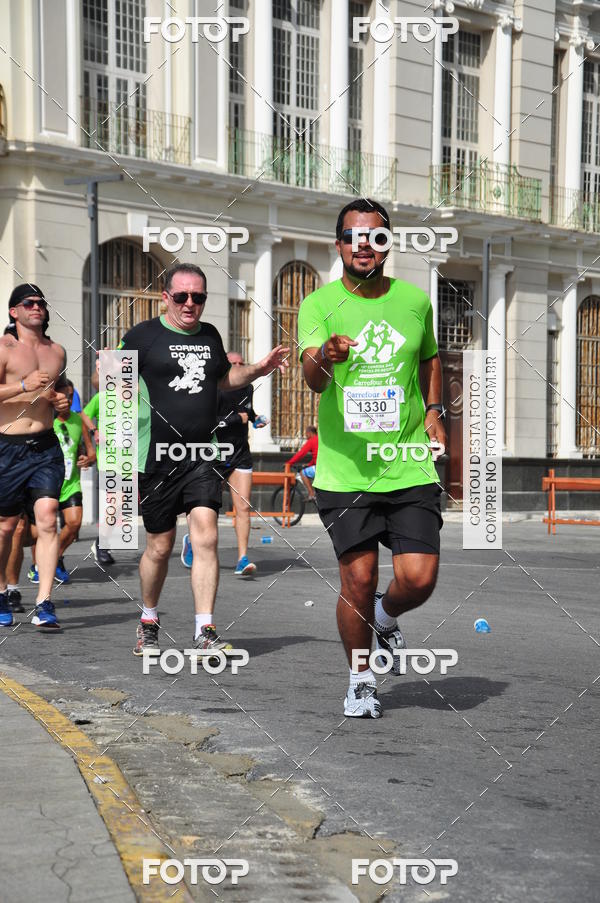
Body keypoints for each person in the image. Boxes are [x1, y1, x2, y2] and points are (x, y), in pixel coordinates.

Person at [298, 199, 446, 719]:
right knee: (357, 581)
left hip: (407, 461)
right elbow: (311, 378)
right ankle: (360, 680)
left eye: (376, 237)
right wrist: (325, 355)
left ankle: (385, 617)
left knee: (419, 578)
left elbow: (429, 357)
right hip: (346, 470)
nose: (365, 246)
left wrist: (434, 410)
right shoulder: (319, 304)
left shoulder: (415, 301)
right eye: (353, 237)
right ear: (339, 244)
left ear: (388, 244)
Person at [116, 263, 288, 656]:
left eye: (198, 297)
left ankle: (204, 629)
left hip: (201, 453)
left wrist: (259, 369)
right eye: (182, 296)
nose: (190, 303)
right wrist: (105, 373)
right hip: (156, 457)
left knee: (207, 535)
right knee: (160, 547)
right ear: (166, 298)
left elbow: (224, 380)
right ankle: (148, 619)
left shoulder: (210, 336)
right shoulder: (143, 335)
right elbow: (107, 381)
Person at [0, 284, 69, 630]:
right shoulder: (4, 348)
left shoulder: (57, 351)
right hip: (6, 447)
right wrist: (23, 386)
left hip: (45, 445)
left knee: (47, 517)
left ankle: (44, 602)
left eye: (41, 302)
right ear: (14, 311)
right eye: (29, 303)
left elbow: (62, 392)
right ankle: (1, 592)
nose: (37, 307)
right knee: (5, 527)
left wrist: (62, 402)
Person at [181, 351, 268, 577]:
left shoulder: (247, 387)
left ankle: (242, 559)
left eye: (241, 362)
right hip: (213, 453)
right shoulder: (212, 388)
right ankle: (191, 540)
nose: (238, 365)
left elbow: (247, 411)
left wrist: (256, 419)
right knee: (205, 508)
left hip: (240, 453)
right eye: (233, 363)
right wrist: (236, 419)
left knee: (243, 507)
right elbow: (204, 421)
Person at [51, 379, 96, 582]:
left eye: (70, 396)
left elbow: (91, 452)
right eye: (63, 396)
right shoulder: (46, 420)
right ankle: (40, 563)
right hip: (47, 483)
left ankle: (55, 558)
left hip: (71, 484)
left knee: (74, 523)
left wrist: (88, 458)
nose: (67, 400)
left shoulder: (79, 421)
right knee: (38, 532)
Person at [82, 371, 116, 566]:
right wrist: (95, 430)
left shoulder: (133, 398)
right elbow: (83, 415)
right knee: (116, 503)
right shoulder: (102, 397)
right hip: (109, 459)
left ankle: (103, 542)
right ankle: (102, 544)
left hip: (131, 459)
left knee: (118, 506)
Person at [287, 425, 318, 502]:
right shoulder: (319, 439)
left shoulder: (311, 441)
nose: (306, 436)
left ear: (309, 433)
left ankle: (312, 494)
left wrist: (289, 463)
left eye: (306, 434)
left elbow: (301, 454)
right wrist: (309, 465)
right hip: (324, 466)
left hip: (319, 468)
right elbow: (317, 456)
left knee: (303, 473)